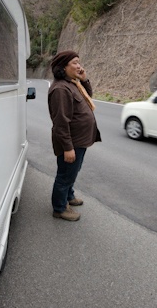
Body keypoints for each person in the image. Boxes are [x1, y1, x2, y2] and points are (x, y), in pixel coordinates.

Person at [48, 50, 101, 221]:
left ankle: (69, 196)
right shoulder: (60, 89)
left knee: (73, 171)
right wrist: (68, 148)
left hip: (80, 140)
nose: (79, 66)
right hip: (72, 142)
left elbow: (88, 97)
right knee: (65, 175)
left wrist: (84, 79)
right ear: (63, 66)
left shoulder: (72, 83)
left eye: (79, 62)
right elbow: (61, 123)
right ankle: (60, 208)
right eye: (75, 63)